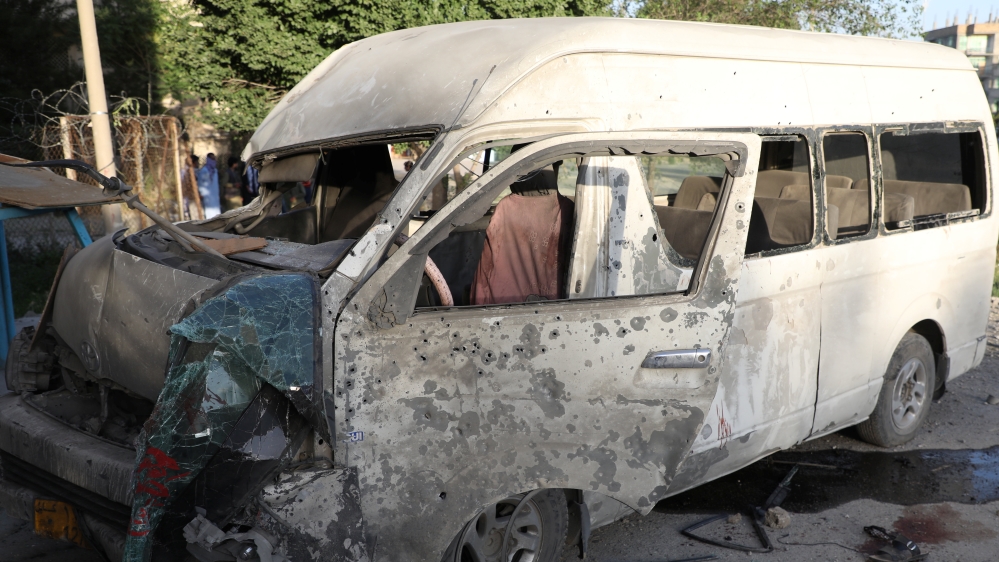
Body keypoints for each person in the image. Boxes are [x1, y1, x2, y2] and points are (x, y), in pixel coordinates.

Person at [196, 152, 221, 218]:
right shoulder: (203, 171)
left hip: (215, 195)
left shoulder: (215, 171)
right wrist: (201, 193)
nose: (214, 161)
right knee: (209, 214)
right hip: (207, 196)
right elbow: (200, 183)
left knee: (217, 214)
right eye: (212, 159)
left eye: (214, 159)